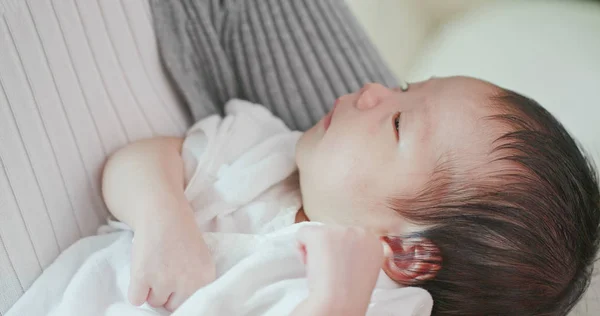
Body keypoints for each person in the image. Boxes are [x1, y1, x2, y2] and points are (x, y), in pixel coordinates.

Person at [103, 1, 600, 315]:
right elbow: (140, 160)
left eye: (398, 122)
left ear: (406, 252)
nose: (370, 90)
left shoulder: (380, 304)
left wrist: (335, 303)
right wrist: (161, 217)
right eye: (404, 87)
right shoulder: (265, 148)